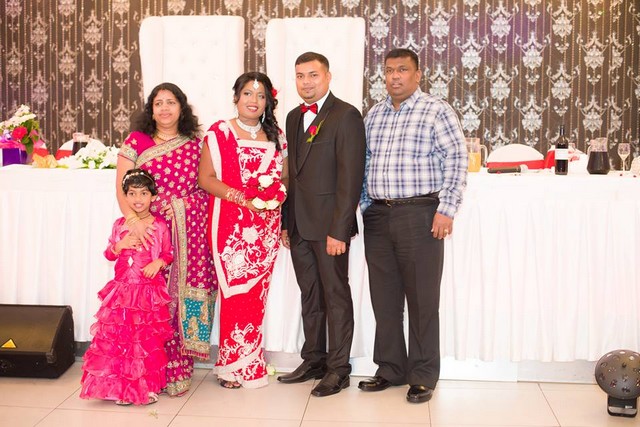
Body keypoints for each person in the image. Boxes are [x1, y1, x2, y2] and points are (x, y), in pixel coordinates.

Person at [358, 48, 467, 403]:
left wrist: (446, 209)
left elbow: (456, 159)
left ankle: (422, 375)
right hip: (379, 216)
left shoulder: (436, 110)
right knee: (384, 300)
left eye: (402, 70)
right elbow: (363, 162)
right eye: (389, 70)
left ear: (418, 75)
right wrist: (366, 204)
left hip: (420, 214)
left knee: (422, 300)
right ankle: (390, 368)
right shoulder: (374, 115)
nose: (394, 76)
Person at [115, 83, 216, 397]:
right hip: (149, 232)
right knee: (149, 298)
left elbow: (205, 186)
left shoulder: (195, 144)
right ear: (151, 109)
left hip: (189, 235)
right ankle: (147, 370)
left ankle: (179, 366)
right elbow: (122, 187)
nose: (165, 109)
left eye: (171, 102)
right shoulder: (137, 141)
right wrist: (134, 223)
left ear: (181, 108)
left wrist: (182, 207)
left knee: (181, 299)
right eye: (158, 103)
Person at [277, 52, 366, 397]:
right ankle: (313, 359)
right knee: (310, 294)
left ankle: (339, 369)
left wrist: (339, 230)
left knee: (335, 295)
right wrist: (287, 222)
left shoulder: (346, 115)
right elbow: (293, 175)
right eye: (300, 76)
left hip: (329, 228)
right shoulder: (292, 117)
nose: (306, 82)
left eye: (313, 75)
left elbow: (350, 178)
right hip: (299, 225)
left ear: (328, 77)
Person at [198, 72, 288, 389]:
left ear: (268, 102)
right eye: (248, 93)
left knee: (255, 296)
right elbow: (206, 179)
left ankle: (250, 363)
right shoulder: (219, 133)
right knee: (235, 293)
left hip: (265, 227)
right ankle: (230, 365)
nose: (254, 100)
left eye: (261, 95)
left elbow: (285, 178)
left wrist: (274, 196)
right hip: (230, 224)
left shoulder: (276, 136)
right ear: (236, 97)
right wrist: (243, 199)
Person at [80, 169, 173, 406]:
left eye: (143, 193)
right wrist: (119, 245)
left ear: (153, 196)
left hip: (146, 292)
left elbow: (168, 253)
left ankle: (145, 386)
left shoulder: (159, 225)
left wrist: (158, 263)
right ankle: (120, 387)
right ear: (125, 196)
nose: (138, 199)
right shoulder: (119, 224)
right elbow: (109, 254)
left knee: (143, 341)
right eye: (132, 193)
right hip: (122, 292)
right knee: (120, 341)